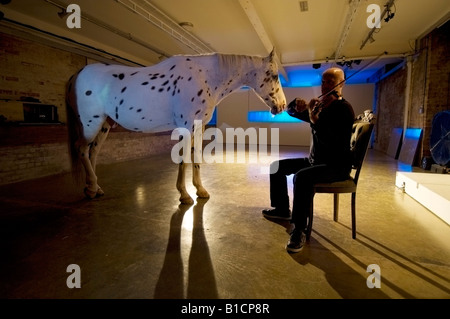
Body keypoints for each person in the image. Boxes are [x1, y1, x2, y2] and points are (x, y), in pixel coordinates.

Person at [262, 67, 355, 253]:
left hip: (335, 166)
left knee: (302, 178)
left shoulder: (343, 109)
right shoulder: (320, 107)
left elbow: (332, 141)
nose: (325, 86)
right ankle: (282, 209)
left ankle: (299, 229)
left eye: (330, 82)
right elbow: (291, 112)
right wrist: (296, 105)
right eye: (323, 82)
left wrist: (315, 120)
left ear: (341, 84)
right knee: (276, 167)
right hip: (316, 161)